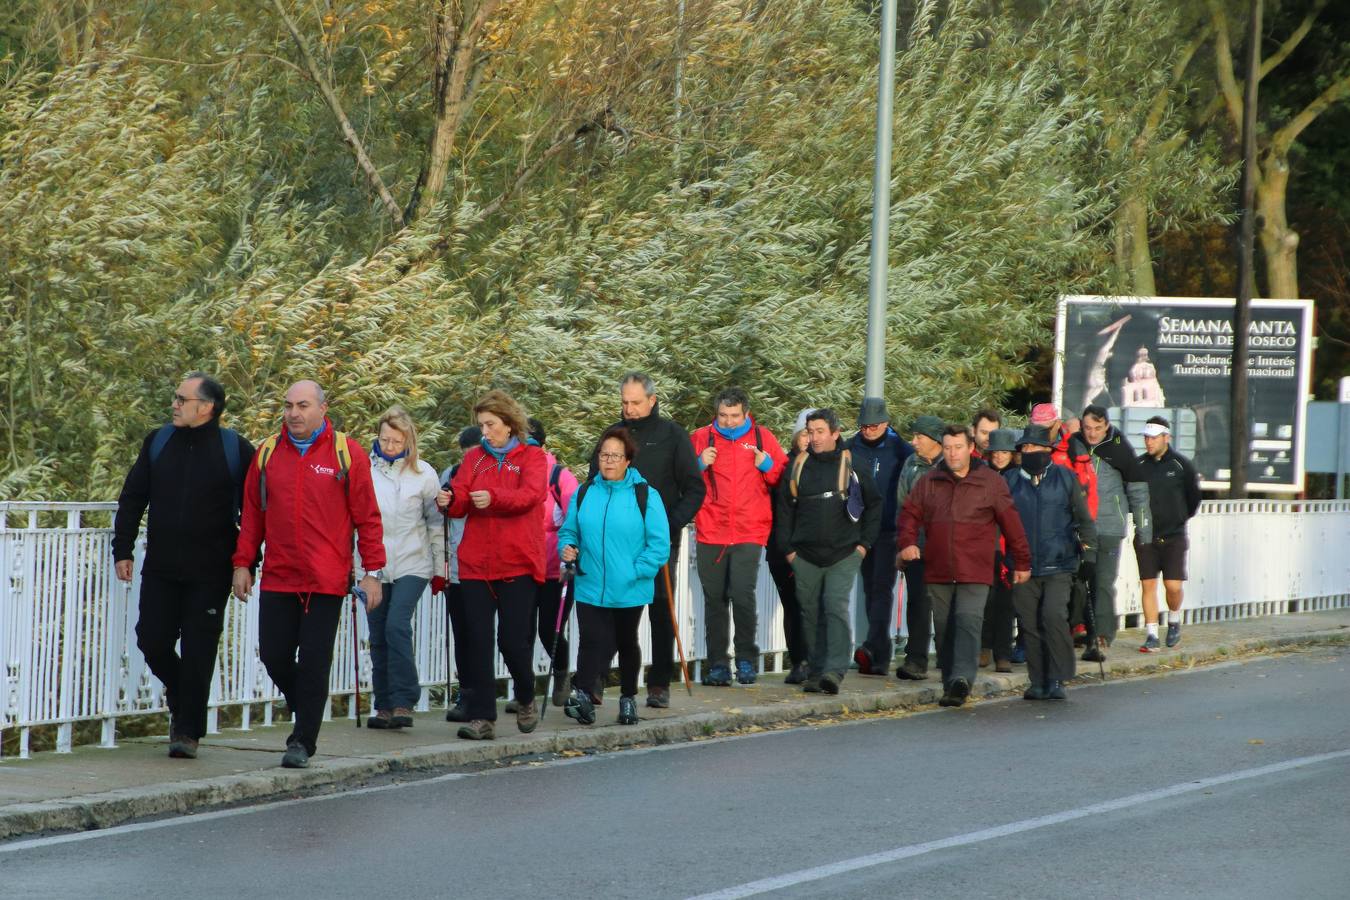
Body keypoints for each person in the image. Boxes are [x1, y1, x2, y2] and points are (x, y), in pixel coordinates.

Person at [231, 380, 384, 769]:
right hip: (280, 574)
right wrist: (243, 562)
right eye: (288, 406)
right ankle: (310, 706)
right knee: (274, 654)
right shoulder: (267, 453)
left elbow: (367, 517)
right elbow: (253, 515)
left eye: (302, 405)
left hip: (325, 579)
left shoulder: (345, 453)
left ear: (322, 408)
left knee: (315, 660)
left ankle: (302, 740)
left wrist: (372, 573)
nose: (294, 413)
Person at [114, 373, 255, 759]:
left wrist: (247, 562)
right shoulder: (158, 442)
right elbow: (133, 497)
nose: (174, 404)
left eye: (181, 399)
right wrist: (122, 549)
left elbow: (258, 511)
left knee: (199, 650)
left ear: (206, 407)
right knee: (152, 640)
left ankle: (187, 731)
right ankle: (182, 694)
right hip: (160, 566)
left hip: (210, 572)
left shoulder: (236, 450)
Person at [587, 372, 705, 708]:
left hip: (659, 539)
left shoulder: (672, 435)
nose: (629, 409)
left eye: (635, 402)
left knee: (659, 610)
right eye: (624, 402)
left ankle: (658, 684)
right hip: (617, 541)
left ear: (652, 400)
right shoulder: (612, 436)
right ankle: (596, 680)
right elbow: (593, 482)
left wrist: (670, 524)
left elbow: (695, 488)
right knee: (613, 609)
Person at [435, 390, 547, 740]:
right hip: (475, 563)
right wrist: (449, 500)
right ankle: (483, 717)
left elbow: (531, 495)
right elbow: (462, 498)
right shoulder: (475, 460)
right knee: (477, 640)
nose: (485, 432)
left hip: (517, 561)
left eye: (491, 424)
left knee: (512, 641)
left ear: (509, 423)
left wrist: (493, 497)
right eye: (481, 425)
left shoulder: (532, 457)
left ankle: (526, 693)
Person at [897, 425, 1030, 707]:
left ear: (970, 448)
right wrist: (907, 542)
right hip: (939, 567)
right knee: (945, 629)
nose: (952, 453)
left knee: (969, 623)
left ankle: (962, 680)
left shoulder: (990, 481)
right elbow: (909, 513)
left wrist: (1021, 561)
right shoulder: (931, 480)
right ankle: (950, 680)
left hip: (976, 568)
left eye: (957, 447)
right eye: (947, 448)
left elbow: (1011, 522)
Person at [559, 426, 671, 726]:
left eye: (615, 456)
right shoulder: (585, 492)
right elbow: (570, 531)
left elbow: (659, 544)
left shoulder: (645, 494)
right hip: (589, 580)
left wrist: (636, 572)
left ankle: (627, 698)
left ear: (628, 460)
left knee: (626, 641)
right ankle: (583, 696)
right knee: (590, 640)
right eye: (604, 454)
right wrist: (567, 548)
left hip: (630, 586)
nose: (608, 461)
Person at [775, 409, 882, 694]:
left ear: (835, 433)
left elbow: (875, 504)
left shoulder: (853, 463)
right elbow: (784, 509)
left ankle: (834, 671)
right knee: (809, 612)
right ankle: (816, 669)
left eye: (820, 431)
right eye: (810, 432)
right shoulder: (797, 466)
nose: (814, 437)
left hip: (844, 553)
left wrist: (863, 545)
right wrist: (788, 551)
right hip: (804, 555)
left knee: (835, 606)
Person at [691, 388, 787, 686]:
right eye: (723, 416)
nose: (729, 422)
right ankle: (718, 664)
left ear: (746, 414)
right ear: (715, 413)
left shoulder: (762, 437)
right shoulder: (701, 437)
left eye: (735, 416)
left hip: (749, 529)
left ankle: (746, 659)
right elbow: (682, 478)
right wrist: (698, 464)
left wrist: (767, 465)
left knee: (742, 595)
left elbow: (784, 478)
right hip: (711, 528)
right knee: (715, 600)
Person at [361, 407, 445, 730]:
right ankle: (383, 704)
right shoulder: (364, 471)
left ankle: (404, 700)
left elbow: (435, 523)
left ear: (408, 439)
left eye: (397, 440)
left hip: (414, 562)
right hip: (374, 567)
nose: (391, 445)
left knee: (397, 624)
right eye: (385, 439)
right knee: (378, 634)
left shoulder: (424, 474)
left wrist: (439, 568)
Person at [1004, 426, 1097, 700]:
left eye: (1036, 448)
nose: (1030, 453)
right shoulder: (1009, 481)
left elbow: (1084, 521)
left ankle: (1058, 677)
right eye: (1025, 449)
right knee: (1029, 624)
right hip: (1022, 565)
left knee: (1053, 616)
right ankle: (1038, 680)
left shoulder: (1065, 478)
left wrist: (1089, 556)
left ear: (1048, 450)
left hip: (1060, 562)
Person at [1072, 405, 1153, 662]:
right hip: (1078, 528)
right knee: (1078, 582)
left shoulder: (1119, 448)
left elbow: (1138, 492)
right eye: (1087, 428)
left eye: (1097, 428)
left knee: (1102, 582)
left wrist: (1144, 531)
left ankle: (1101, 637)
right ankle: (1080, 629)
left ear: (1106, 425)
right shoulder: (1074, 445)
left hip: (1109, 526)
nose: (1092, 434)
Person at [847, 398, 913, 676]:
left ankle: (876, 649)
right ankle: (876, 651)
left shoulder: (901, 449)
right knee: (868, 588)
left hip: (888, 527)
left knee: (881, 588)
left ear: (886, 423)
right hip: (861, 528)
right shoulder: (850, 447)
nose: (869, 430)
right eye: (864, 425)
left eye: (874, 425)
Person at [525, 417, 579, 710]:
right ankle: (524, 694)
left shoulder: (560, 476)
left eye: (532, 443)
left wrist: (570, 555)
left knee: (549, 628)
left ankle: (561, 675)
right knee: (518, 631)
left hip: (553, 567)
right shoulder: (511, 470)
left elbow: (575, 518)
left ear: (543, 446)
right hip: (520, 566)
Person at [1134, 416, 1201, 652]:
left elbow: (1193, 499)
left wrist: (1179, 518)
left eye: (1153, 438)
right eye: (1146, 437)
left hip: (1173, 535)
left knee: (1173, 586)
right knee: (1148, 585)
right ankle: (1152, 634)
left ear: (1166, 438)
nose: (1148, 442)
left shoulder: (1182, 465)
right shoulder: (1139, 465)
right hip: (1146, 535)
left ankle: (1173, 620)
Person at [892, 415, 945, 680]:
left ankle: (949, 657)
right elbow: (903, 508)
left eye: (919, 437)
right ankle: (915, 660)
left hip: (946, 548)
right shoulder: (910, 465)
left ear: (935, 441)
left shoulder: (951, 466)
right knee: (918, 603)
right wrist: (903, 544)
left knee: (947, 605)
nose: (913, 442)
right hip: (916, 546)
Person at [767, 409, 814, 683]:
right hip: (783, 548)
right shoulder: (783, 466)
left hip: (815, 550)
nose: (808, 439)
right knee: (793, 606)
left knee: (813, 605)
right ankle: (799, 661)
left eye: (814, 433)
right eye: (804, 433)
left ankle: (815, 659)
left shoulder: (832, 467)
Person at [441, 426, 481, 724]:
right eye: (465, 456)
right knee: (461, 635)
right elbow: (437, 519)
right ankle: (466, 693)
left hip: (484, 570)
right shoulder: (450, 474)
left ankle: (482, 694)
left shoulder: (493, 474)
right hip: (455, 569)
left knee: (481, 636)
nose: (469, 462)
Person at [981, 428, 1018, 672]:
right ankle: (984, 648)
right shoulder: (982, 475)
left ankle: (1003, 652)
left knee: (1006, 604)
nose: (1000, 456)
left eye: (1005, 452)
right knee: (984, 601)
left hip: (1009, 546)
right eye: (996, 452)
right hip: (986, 544)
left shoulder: (1018, 477)